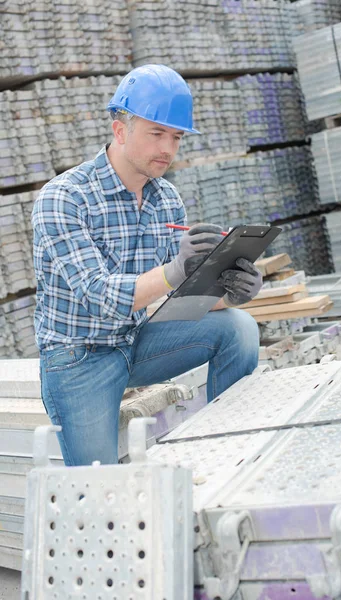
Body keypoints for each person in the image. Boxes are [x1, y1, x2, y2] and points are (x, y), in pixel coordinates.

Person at [32, 64, 263, 467]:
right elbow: (99, 296)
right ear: (120, 130)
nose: (168, 149)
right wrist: (177, 268)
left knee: (238, 328)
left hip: (137, 343)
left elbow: (175, 297)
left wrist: (231, 290)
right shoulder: (64, 198)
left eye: (176, 137)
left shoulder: (166, 199)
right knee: (97, 490)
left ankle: (224, 453)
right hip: (78, 360)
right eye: (156, 133)